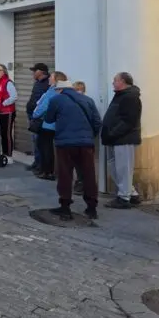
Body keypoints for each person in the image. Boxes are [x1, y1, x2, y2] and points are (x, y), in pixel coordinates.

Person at [44, 79, 102, 221]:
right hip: (86, 144)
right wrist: (88, 136)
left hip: (65, 144)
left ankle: (65, 208)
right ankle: (92, 208)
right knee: (88, 174)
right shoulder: (88, 100)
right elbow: (97, 122)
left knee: (65, 175)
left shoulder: (56, 100)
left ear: (60, 90)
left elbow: (49, 119)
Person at [101, 72, 143, 209]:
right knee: (115, 167)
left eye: (115, 80)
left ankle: (124, 198)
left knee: (123, 168)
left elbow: (128, 121)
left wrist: (113, 133)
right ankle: (132, 193)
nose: (113, 82)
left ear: (123, 82)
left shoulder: (131, 97)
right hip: (114, 139)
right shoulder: (121, 96)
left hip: (123, 139)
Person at [31, 71, 68, 181]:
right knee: (46, 147)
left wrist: (35, 114)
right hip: (52, 124)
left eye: (51, 77)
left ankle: (47, 171)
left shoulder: (53, 91)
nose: (49, 78)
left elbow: (44, 106)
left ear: (56, 79)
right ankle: (46, 170)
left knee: (45, 148)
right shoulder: (58, 91)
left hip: (47, 124)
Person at [0, 64, 17, 162]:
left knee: (6, 134)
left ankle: (9, 155)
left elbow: (14, 97)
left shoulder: (8, 82)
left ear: (4, 71)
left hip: (7, 112)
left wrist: (3, 104)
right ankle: (1, 153)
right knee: (0, 133)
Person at [27, 63, 51, 169]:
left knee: (39, 141)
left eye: (34, 71)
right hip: (32, 115)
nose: (33, 73)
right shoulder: (37, 82)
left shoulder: (48, 84)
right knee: (34, 140)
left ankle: (41, 165)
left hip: (40, 117)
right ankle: (37, 162)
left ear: (40, 72)